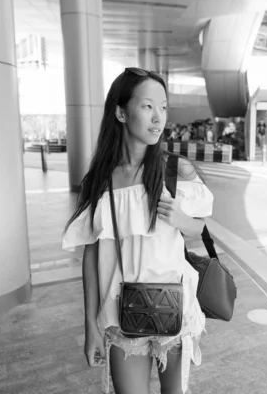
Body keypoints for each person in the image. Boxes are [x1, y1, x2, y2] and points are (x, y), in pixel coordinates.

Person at [61, 67, 213, 394]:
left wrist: (181, 218)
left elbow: (198, 229)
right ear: (120, 112)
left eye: (163, 107)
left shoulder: (175, 171)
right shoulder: (101, 180)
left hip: (175, 309)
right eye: (147, 106)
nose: (158, 118)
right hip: (121, 314)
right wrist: (90, 327)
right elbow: (91, 256)